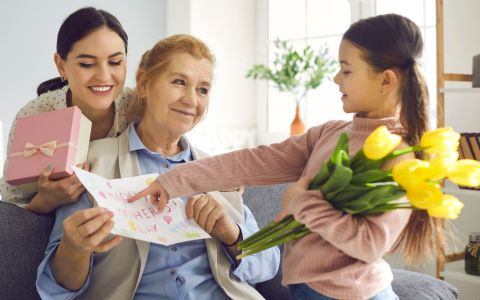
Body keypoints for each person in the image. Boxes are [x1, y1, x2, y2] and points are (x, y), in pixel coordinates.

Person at [130, 14, 439, 299]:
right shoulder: (330, 134)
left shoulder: (401, 158)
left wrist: (302, 203)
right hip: (305, 291)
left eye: (346, 70)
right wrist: (173, 180)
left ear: (386, 80)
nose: (335, 78)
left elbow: (370, 244)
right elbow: (252, 162)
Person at [36, 34, 280, 300]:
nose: (191, 100)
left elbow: (268, 264)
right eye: (179, 82)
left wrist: (230, 234)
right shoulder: (92, 165)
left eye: (202, 90)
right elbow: (54, 290)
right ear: (143, 83)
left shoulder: (218, 172)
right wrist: (74, 248)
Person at [0, 7, 130, 214]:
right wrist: (46, 201)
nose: (104, 76)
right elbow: (10, 208)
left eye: (115, 62)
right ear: (61, 65)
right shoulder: (35, 115)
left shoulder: (138, 109)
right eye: (87, 64)